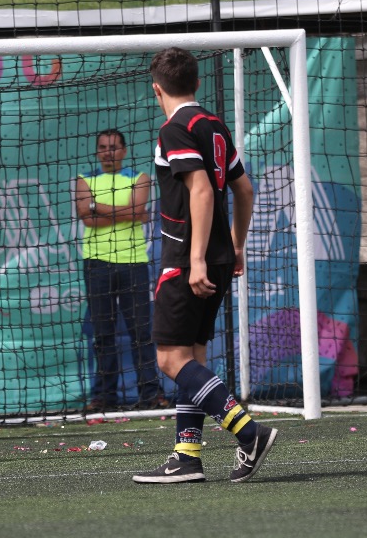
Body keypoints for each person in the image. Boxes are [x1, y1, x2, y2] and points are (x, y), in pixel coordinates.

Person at [132, 47, 276, 484]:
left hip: (187, 260)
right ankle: (187, 455)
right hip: (218, 258)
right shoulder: (213, 124)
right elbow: (244, 190)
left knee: (169, 358)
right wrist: (235, 246)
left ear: (157, 90)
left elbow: (201, 191)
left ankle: (249, 433)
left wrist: (194, 259)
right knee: (194, 356)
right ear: (196, 84)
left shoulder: (175, 128)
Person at [76, 129, 165, 411]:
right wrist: (124, 211)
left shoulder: (140, 178)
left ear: (124, 151)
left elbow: (139, 212)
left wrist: (96, 206)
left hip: (134, 263)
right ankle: (104, 397)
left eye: (113, 147)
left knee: (141, 332)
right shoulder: (84, 179)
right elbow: (86, 218)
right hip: (97, 264)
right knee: (103, 334)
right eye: (102, 147)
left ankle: (150, 394)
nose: (107, 152)